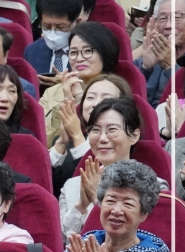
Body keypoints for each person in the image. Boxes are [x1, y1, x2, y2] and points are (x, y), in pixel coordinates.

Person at [58, 98, 143, 236]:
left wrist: (98, 201)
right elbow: (62, 244)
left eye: (112, 129)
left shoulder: (151, 186)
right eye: (96, 130)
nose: (102, 138)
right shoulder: (72, 186)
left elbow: (141, 238)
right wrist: (80, 206)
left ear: (134, 135)